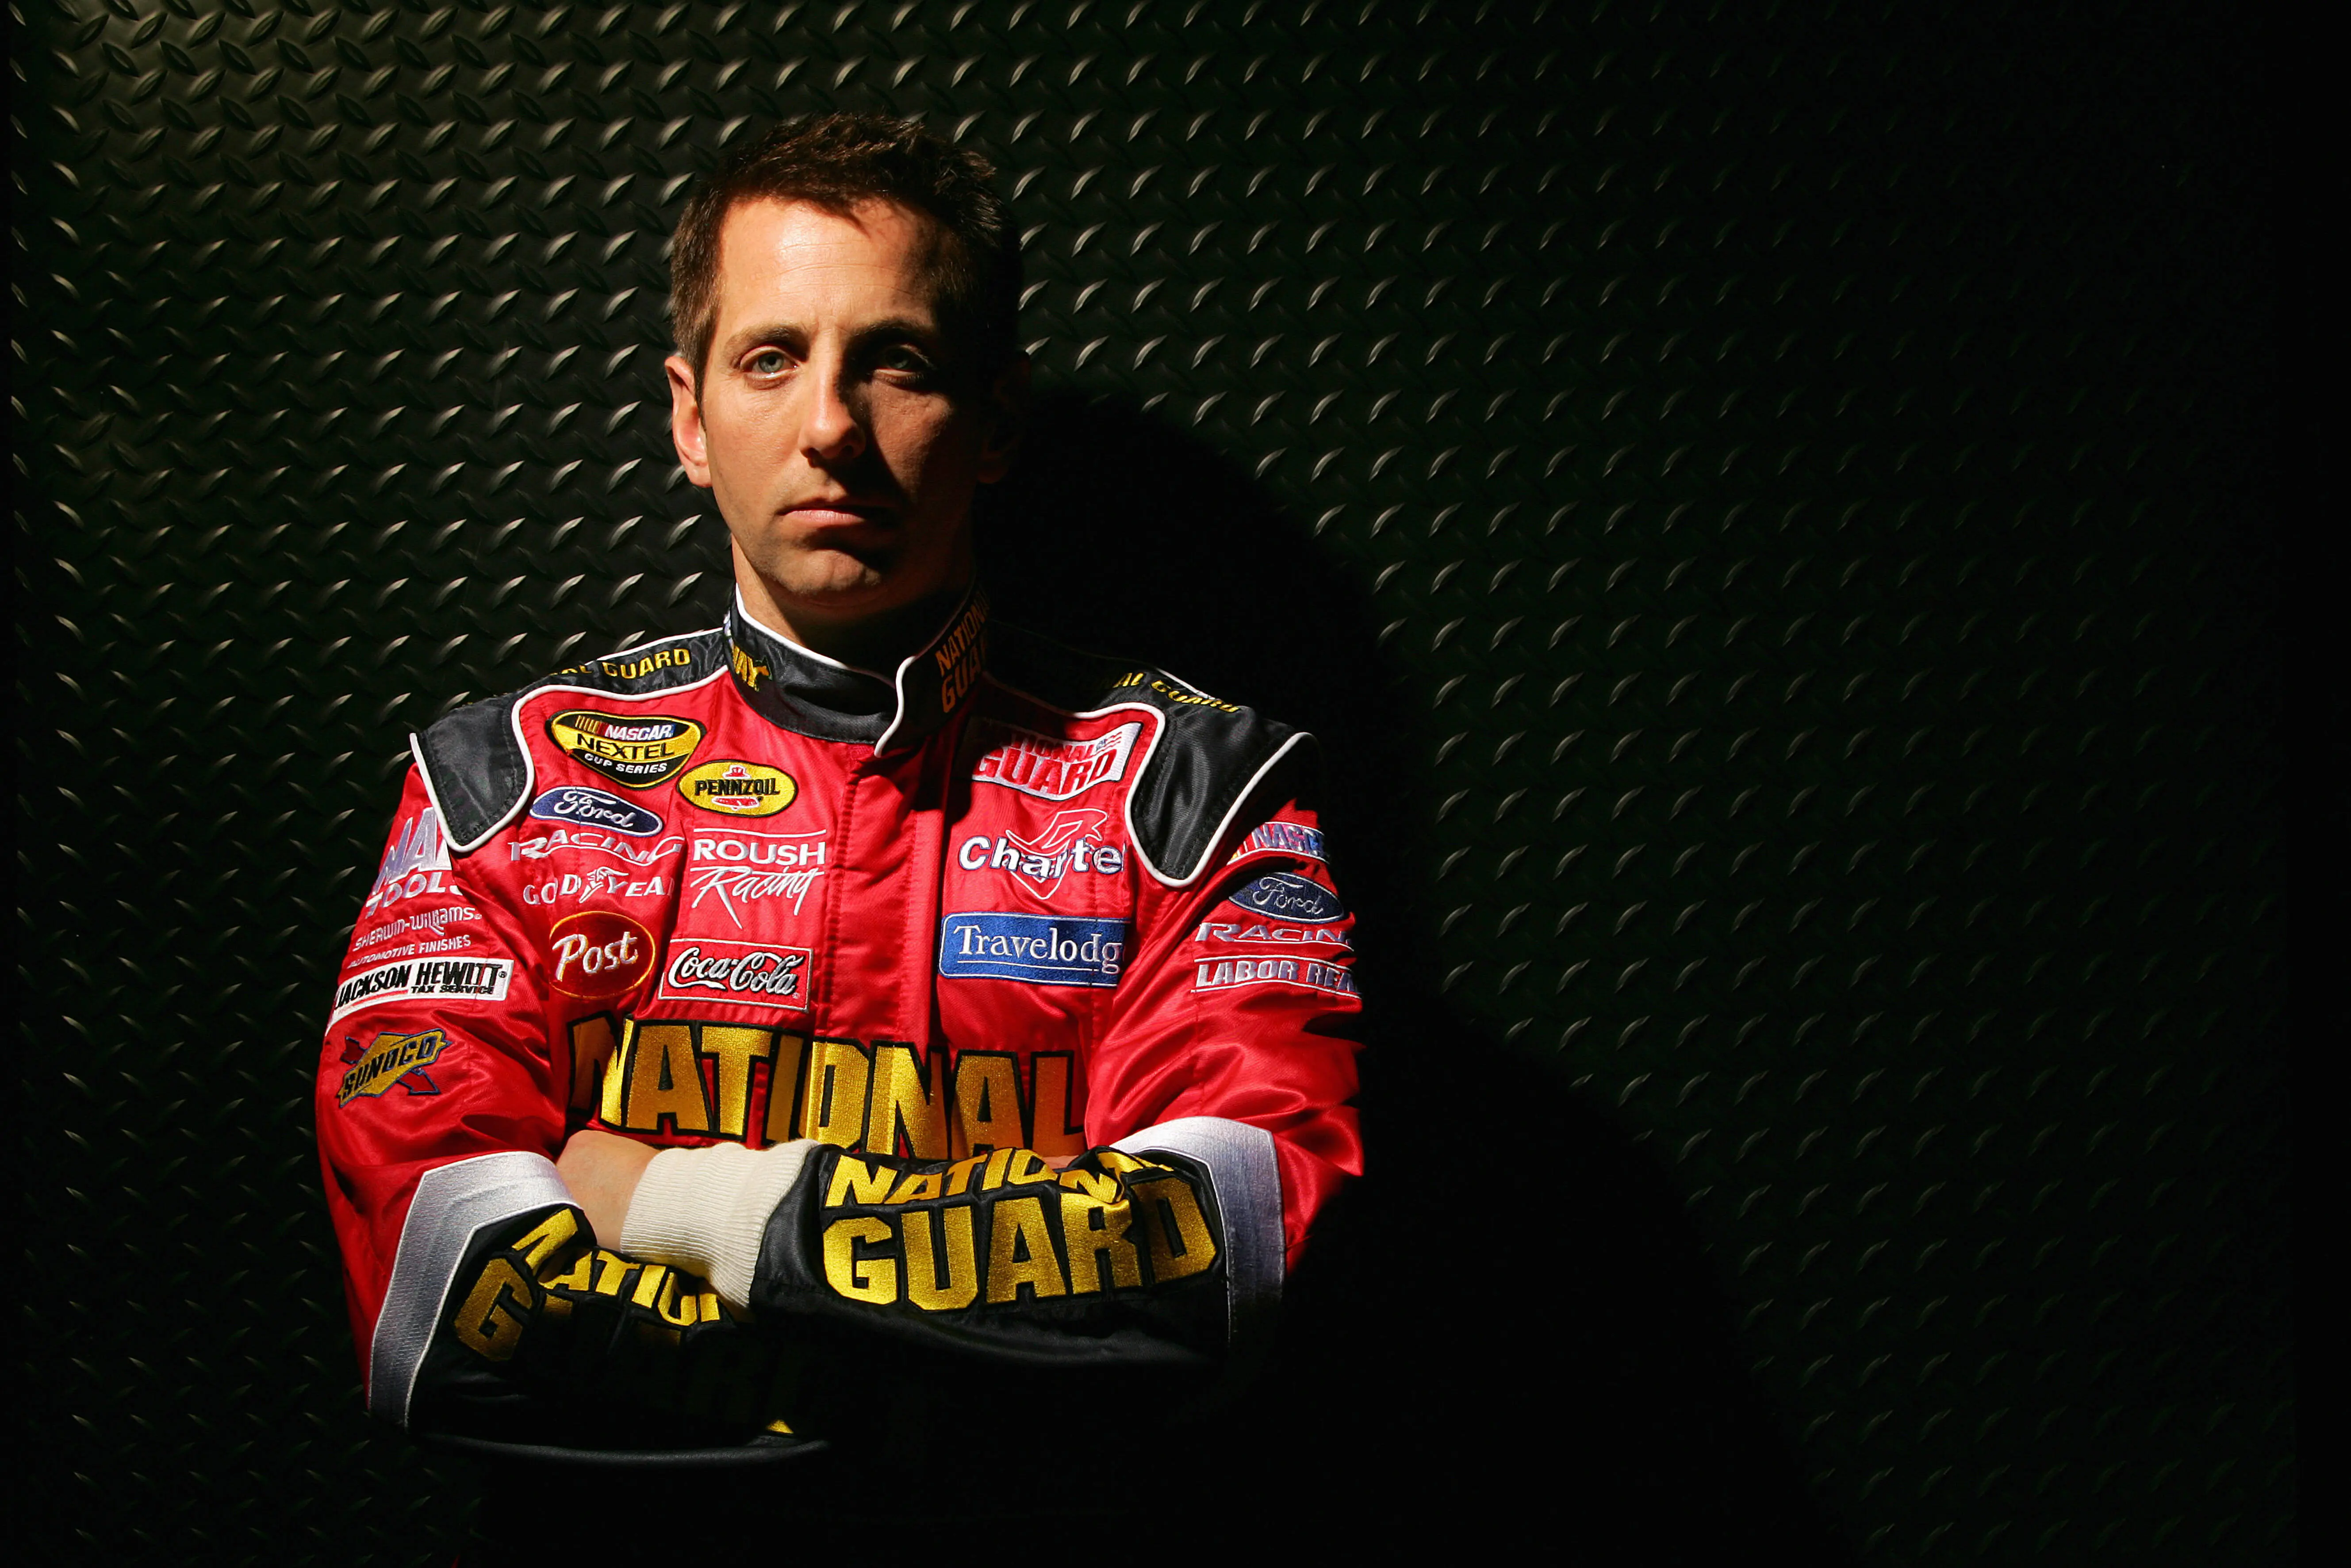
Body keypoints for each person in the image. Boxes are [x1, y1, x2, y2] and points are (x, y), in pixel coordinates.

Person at [314, 114, 1363, 1464]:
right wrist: (979, 1359)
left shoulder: (1205, 791)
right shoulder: (504, 784)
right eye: (771, 359)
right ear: (692, 419)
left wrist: (693, 1209)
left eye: (898, 365)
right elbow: (448, 1313)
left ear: (996, 420)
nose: (829, 428)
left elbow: (1221, 1266)